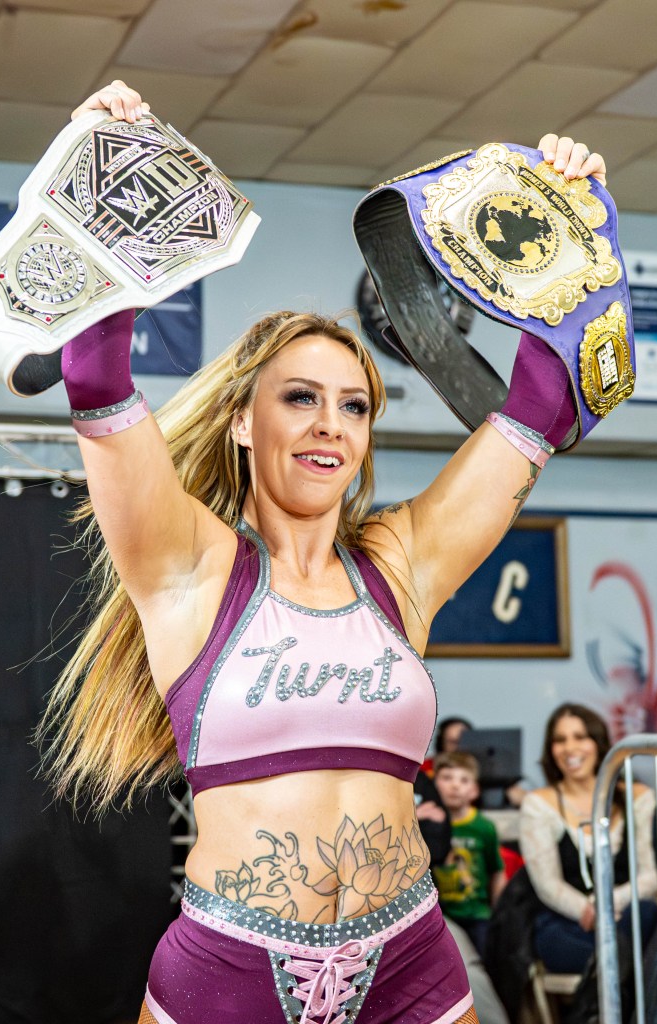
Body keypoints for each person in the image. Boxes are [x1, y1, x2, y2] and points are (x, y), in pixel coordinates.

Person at [38, 79, 610, 1024]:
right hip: (230, 972)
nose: (329, 425)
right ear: (242, 423)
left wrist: (568, 213)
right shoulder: (193, 567)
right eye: (299, 398)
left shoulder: (400, 564)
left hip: (411, 962)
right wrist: (106, 169)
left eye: (354, 406)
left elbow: (544, 403)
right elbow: (95, 374)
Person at [519, 704, 657, 977]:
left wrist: (605, 906)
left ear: (598, 742)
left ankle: (609, 984)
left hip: (626, 917)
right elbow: (548, 885)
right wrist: (588, 910)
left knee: (645, 915)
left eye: (580, 737)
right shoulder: (538, 803)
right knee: (603, 954)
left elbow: (651, 875)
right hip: (568, 924)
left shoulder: (639, 796)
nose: (570, 748)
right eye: (560, 740)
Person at [432, 752, 506, 957]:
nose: (455, 786)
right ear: (434, 784)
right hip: (440, 914)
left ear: (474, 790)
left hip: (477, 915)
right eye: (447, 778)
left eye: (464, 780)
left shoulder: (483, 827)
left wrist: (498, 913)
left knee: (484, 961)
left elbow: (497, 871)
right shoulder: (427, 826)